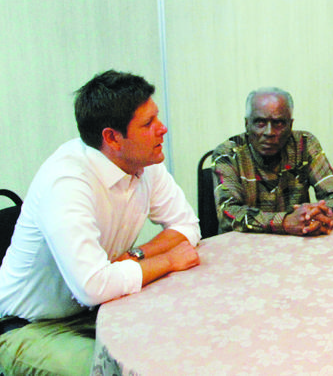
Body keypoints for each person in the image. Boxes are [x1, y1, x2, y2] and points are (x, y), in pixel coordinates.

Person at [0, 70, 201, 375]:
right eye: (148, 124)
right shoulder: (67, 181)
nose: (163, 129)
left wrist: (137, 255)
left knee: (184, 343)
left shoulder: (144, 160)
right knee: (114, 372)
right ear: (112, 137)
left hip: (101, 309)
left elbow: (187, 227)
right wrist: (169, 259)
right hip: (29, 328)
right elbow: (93, 286)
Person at [213, 87, 333, 236]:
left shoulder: (304, 144)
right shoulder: (228, 153)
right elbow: (228, 213)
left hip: (298, 243)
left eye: (278, 123)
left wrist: (325, 216)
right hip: (245, 246)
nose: (269, 132)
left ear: (290, 125)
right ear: (247, 124)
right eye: (260, 123)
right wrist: (284, 222)